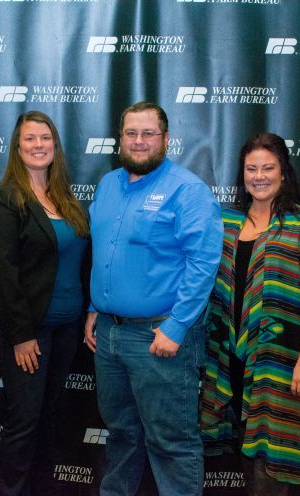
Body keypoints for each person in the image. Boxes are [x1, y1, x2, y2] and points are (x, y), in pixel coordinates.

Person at [84, 101, 222, 495]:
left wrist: (176, 327)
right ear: (120, 138)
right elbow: (104, 251)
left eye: (148, 133)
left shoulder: (187, 191)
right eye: (131, 133)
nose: (139, 141)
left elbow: (203, 263)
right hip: (109, 335)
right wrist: (95, 307)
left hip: (159, 338)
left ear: (166, 139)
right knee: (121, 435)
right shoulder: (108, 185)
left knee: (171, 443)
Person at [199, 133, 300, 495]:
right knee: (243, 449)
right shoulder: (225, 223)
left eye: (268, 168)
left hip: (282, 364)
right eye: (251, 169)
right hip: (229, 362)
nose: (259, 176)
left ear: (283, 172)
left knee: (273, 459)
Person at [0, 111, 90, 496]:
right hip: (29, 333)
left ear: (55, 146)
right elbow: (4, 274)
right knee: (24, 422)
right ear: (17, 147)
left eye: (45, 138)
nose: (38, 145)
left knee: (47, 419)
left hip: (67, 330)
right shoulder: (5, 200)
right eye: (30, 138)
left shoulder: (67, 200)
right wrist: (21, 336)